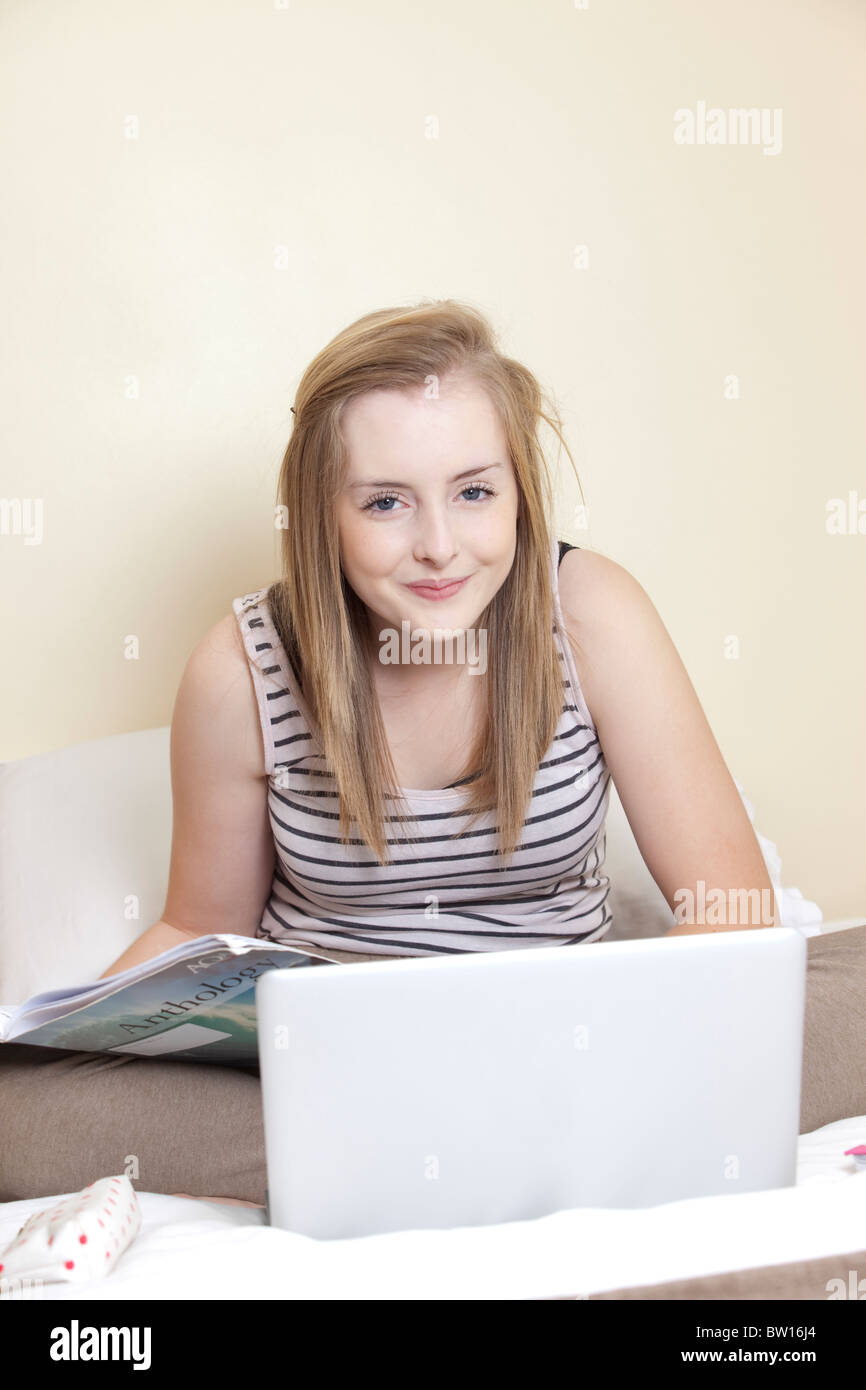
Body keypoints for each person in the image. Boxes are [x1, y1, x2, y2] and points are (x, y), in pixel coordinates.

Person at [0, 299, 793, 1205]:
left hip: (566, 1054)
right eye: (385, 503)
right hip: (337, 1078)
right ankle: (476, 1164)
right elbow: (199, 928)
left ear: (519, 492)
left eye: (474, 491)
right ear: (320, 514)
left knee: (829, 997)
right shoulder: (240, 671)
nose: (439, 547)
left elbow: (733, 915)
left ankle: (424, 1168)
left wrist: (617, 1049)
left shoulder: (593, 613)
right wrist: (65, 1040)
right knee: (20, 1119)